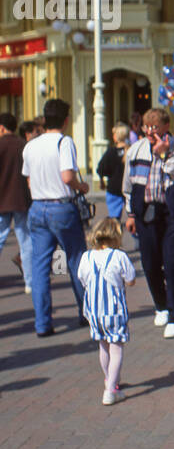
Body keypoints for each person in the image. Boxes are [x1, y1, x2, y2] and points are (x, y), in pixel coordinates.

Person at [122, 107, 174, 337]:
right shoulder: (136, 150)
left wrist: (166, 155)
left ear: (166, 127)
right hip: (145, 212)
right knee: (150, 263)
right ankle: (161, 305)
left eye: (155, 127)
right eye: (146, 127)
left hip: (172, 211)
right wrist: (131, 214)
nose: (150, 131)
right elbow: (128, 184)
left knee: (173, 263)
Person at [22, 98, 89, 337]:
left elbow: (28, 179)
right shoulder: (64, 141)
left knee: (40, 267)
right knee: (75, 259)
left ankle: (42, 323)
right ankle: (85, 312)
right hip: (61, 206)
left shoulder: (31, 145)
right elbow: (67, 176)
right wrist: (82, 187)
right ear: (66, 120)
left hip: (38, 207)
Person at [77, 216, 136, 405]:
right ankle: (111, 389)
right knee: (117, 347)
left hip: (93, 310)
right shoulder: (119, 256)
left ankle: (109, 379)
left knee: (103, 345)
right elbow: (131, 279)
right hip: (114, 310)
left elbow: (82, 279)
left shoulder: (86, 256)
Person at [0, 111, 32, 296]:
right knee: (26, 242)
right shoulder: (24, 146)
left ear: (2, 128)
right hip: (21, 200)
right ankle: (29, 282)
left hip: (2, 201)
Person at [96, 123, 130, 220]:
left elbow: (101, 168)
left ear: (116, 137)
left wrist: (102, 180)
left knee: (114, 218)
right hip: (129, 188)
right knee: (134, 217)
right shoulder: (131, 150)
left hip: (114, 189)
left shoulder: (111, 152)